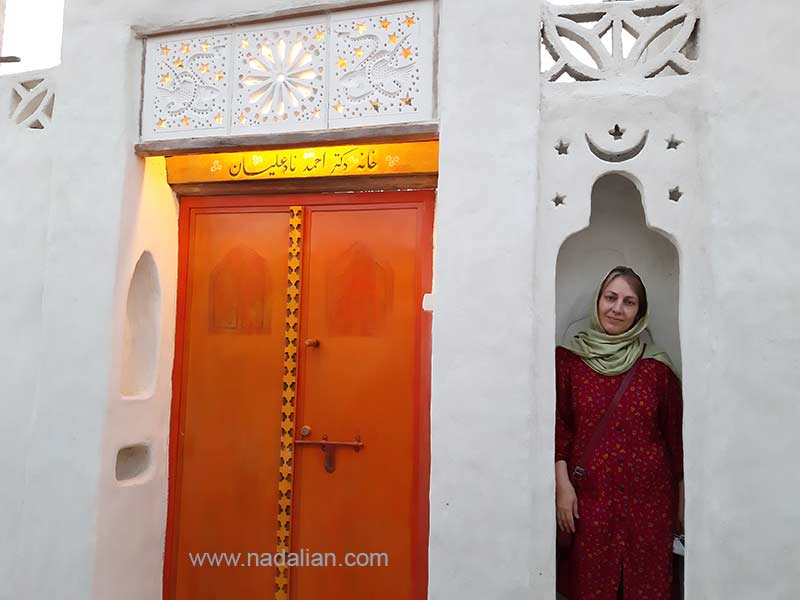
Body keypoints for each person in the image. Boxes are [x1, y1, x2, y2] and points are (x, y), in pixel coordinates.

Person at [555, 266, 684, 600]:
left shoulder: (657, 367)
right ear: (598, 301)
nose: (617, 309)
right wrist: (562, 485)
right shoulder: (569, 361)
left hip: (650, 507)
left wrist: (683, 504)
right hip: (590, 502)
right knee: (590, 587)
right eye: (610, 298)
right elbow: (560, 427)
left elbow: (676, 440)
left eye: (629, 302)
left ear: (639, 313)